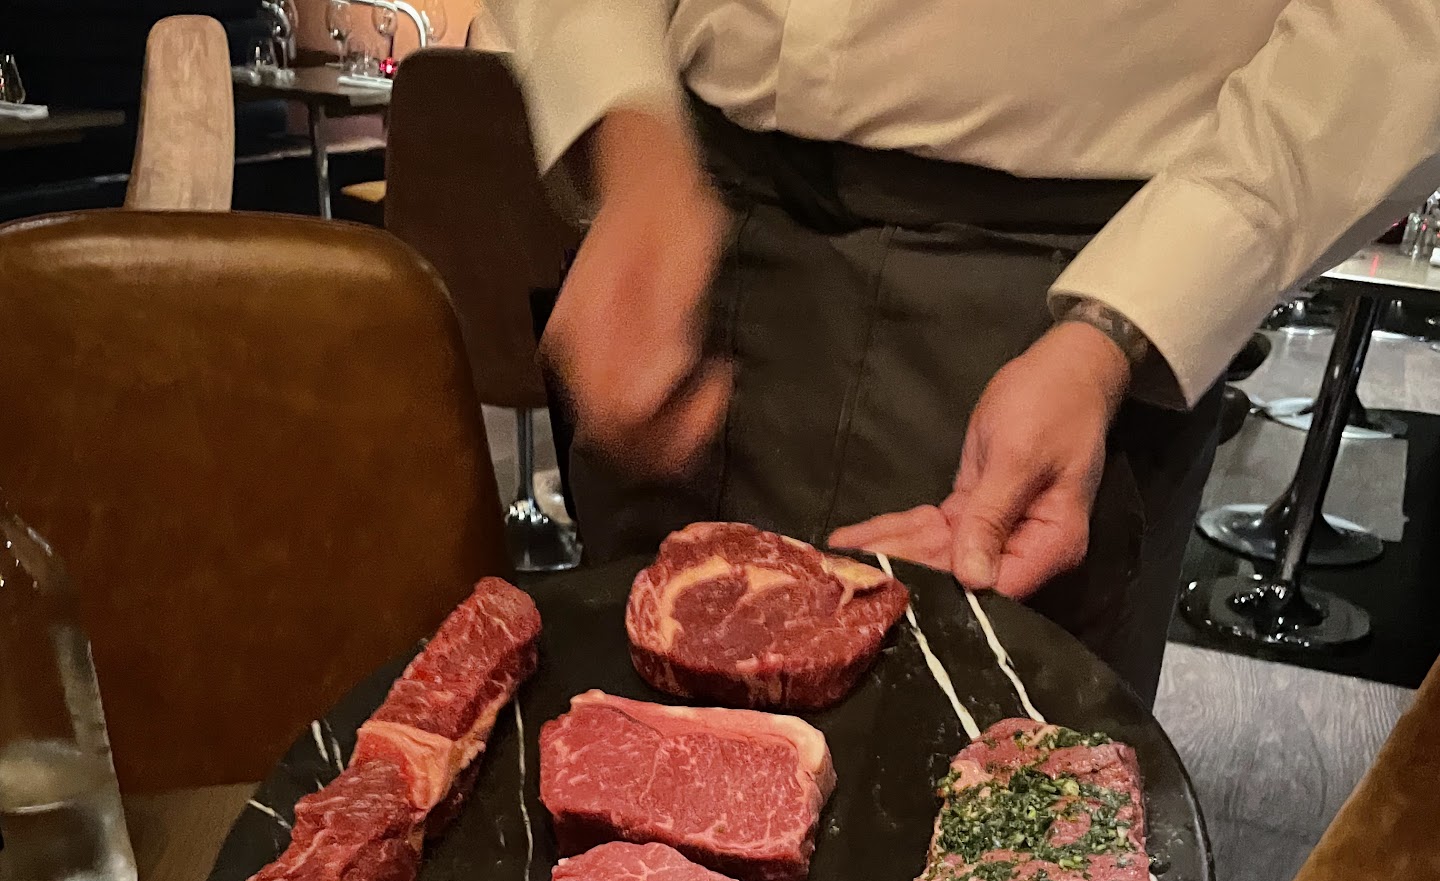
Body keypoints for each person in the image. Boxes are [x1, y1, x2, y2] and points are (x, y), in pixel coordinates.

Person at [491, 1, 1440, 702]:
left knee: (987, 841)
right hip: (688, 205)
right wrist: (625, 132)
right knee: (617, 785)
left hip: (1055, 284)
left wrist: (1124, 324)